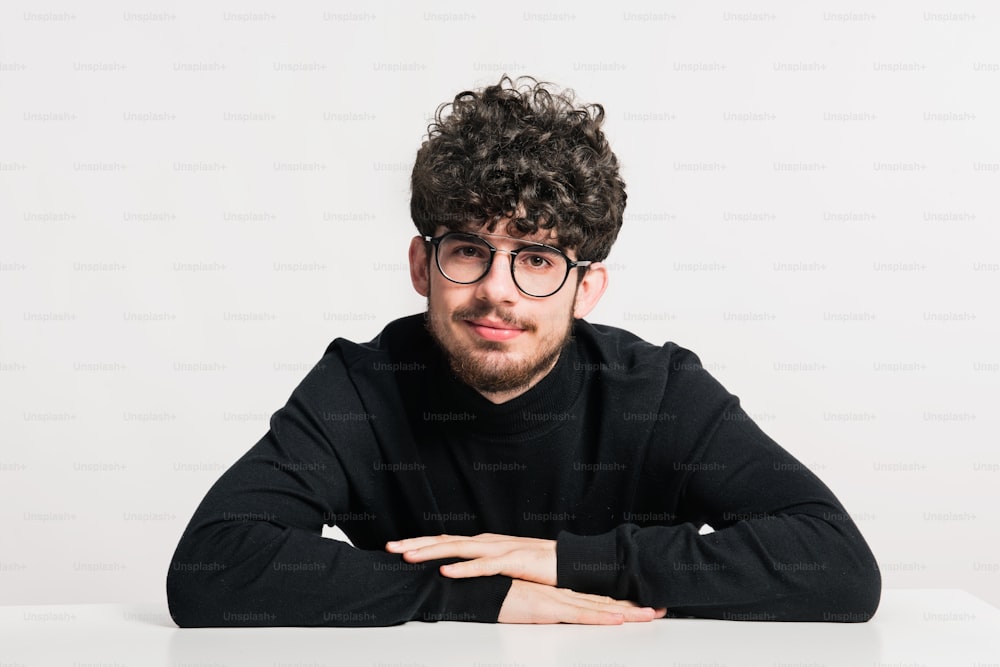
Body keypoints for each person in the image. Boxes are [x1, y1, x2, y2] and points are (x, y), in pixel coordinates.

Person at [166, 75, 881, 627]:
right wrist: (477, 595)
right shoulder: (361, 388)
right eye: (470, 250)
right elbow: (212, 565)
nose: (496, 291)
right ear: (423, 264)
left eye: (536, 260)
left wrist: (568, 561)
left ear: (587, 287)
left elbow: (836, 563)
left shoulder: (657, 392)